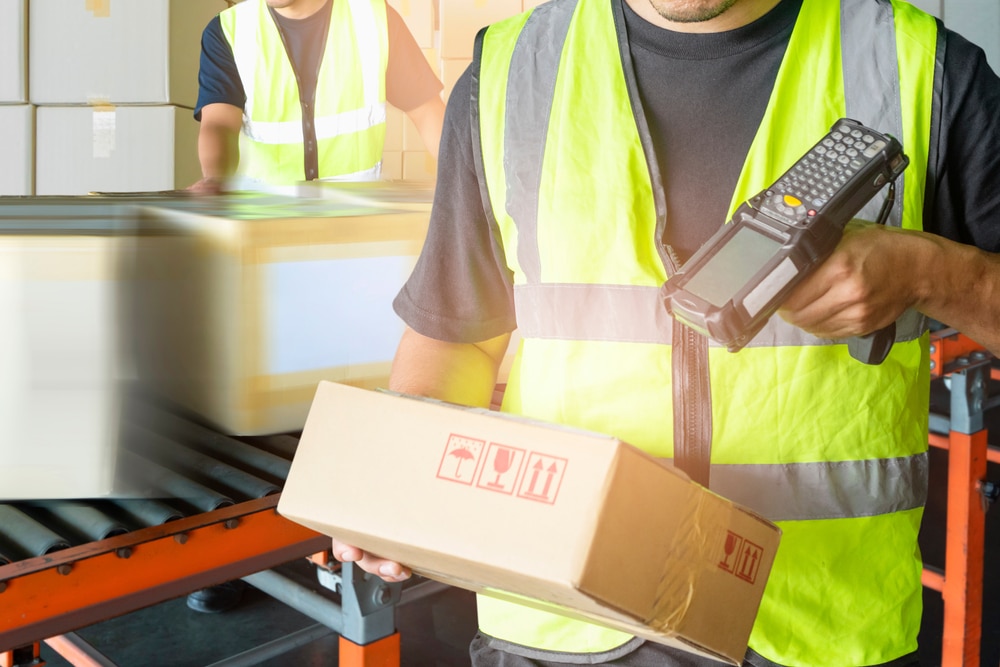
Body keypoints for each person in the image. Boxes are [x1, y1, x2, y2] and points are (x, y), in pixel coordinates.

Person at [332, 0, 1000, 665]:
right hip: (560, 626)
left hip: (816, 629)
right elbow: (457, 337)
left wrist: (935, 275)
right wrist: (398, 489)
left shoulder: (923, 67)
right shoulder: (513, 68)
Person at [188, 0, 445, 193]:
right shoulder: (229, 31)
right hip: (266, 226)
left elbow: (427, 114)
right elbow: (219, 123)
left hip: (357, 224)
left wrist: (467, 183)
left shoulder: (374, 20)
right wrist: (215, 179)